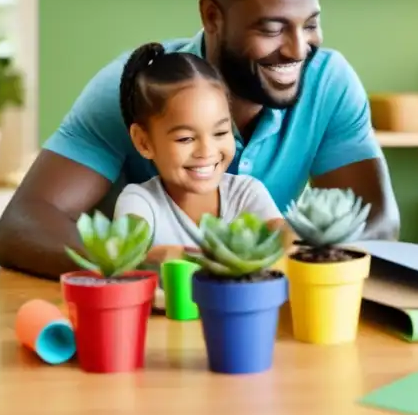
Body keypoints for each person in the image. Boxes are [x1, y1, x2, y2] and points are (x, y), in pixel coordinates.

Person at [0, 0, 399, 279]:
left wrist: (274, 267)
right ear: (212, 17)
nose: (298, 48)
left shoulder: (329, 83)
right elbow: (21, 226)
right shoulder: (137, 88)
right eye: (273, 28)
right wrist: (145, 267)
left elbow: (379, 222)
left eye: (310, 24)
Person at [113, 42, 292, 263]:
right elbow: (128, 259)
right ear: (144, 142)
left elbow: (283, 238)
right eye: (185, 138)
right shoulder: (139, 201)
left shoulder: (247, 193)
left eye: (220, 132)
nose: (207, 151)